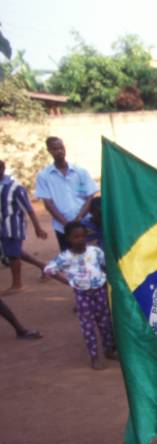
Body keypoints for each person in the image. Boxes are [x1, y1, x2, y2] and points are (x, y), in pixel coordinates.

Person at [42, 221, 115, 369]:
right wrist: (68, 281)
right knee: (88, 326)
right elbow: (48, 270)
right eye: (76, 237)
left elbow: (105, 265)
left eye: (83, 236)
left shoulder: (95, 251)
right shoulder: (65, 257)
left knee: (105, 321)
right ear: (68, 238)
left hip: (100, 290)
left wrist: (108, 279)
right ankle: (94, 356)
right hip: (83, 295)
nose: (80, 239)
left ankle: (109, 349)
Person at [35, 137, 98, 252]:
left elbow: (90, 196)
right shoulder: (44, 176)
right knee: (69, 258)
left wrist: (79, 218)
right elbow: (48, 204)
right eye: (55, 149)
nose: (59, 151)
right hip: (62, 227)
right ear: (49, 151)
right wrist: (66, 224)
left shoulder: (80, 172)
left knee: (91, 254)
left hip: (86, 223)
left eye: (61, 148)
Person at [1, 160, 48, 295]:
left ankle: (17, 285)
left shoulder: (15, 187)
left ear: (3, 168)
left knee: (13, 255)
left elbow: (29, 209)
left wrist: (37, 227)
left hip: (12, 227)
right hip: (2, 227)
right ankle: (43, 266)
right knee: (15, 251)